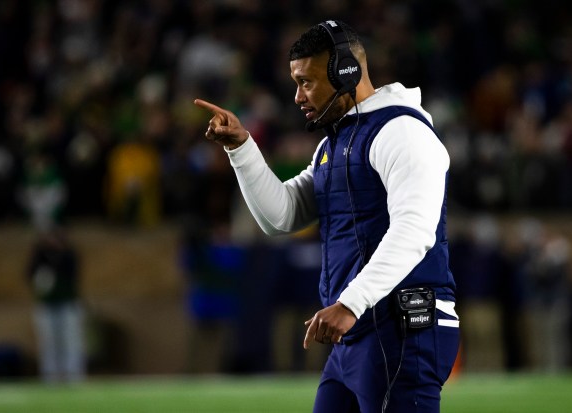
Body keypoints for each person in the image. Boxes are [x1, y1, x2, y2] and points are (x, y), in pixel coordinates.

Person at [195, 20, 459, 413]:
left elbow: (414, 231)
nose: (299, 96)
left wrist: (350, 303)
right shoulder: (335, 141)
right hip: (357, 332)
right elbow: (281, 216)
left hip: (403, 326)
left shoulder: (402, 132)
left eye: (307, 82)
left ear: (346, 72)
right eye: (296, 83)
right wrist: (242, 148)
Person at [26, 227, 86, 383]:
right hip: (47, 304)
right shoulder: (39, 257)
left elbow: (72, 274)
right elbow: (30, 275)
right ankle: (50, 374)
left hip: (67, 303)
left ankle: (73, 372)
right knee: (48, 339)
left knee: (70, 338)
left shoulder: (69, 255)